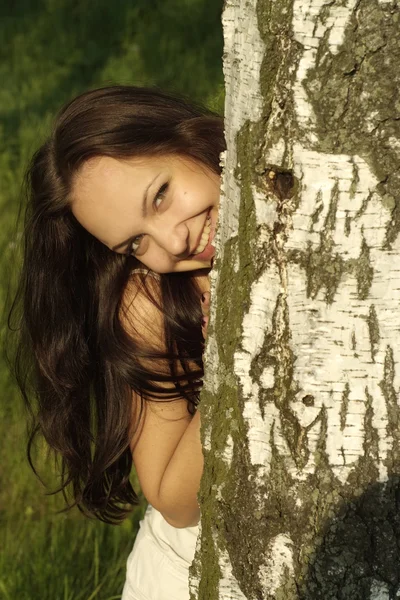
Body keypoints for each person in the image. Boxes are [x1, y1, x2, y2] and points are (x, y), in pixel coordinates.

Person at [9, 85, 225, 600]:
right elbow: (173, 499)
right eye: (135, 243)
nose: (174, 242)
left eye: (160, 194)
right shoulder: (151, 301)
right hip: (189, 572)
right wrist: (231, 363)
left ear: (192, 141)